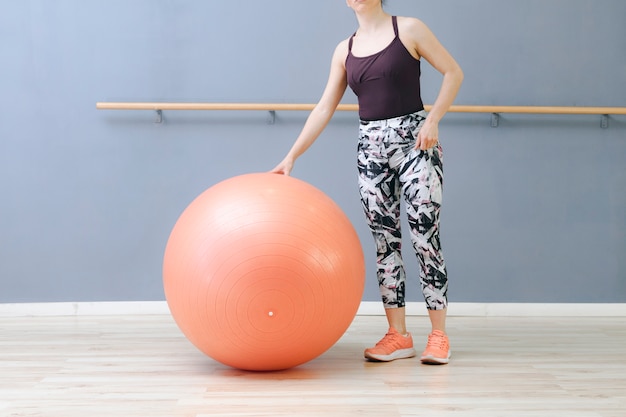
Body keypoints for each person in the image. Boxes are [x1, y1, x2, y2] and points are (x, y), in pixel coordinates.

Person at [271, 0, 463, 364]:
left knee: (425, 237)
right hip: (371, 150)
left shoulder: (409, 29)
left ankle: (438, 335)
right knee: (384, 243)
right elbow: (324, 106)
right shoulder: (345, 50)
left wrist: (433, 119)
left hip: (416, 143)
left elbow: (454, 73)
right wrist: (291, 156)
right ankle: (398, 335)